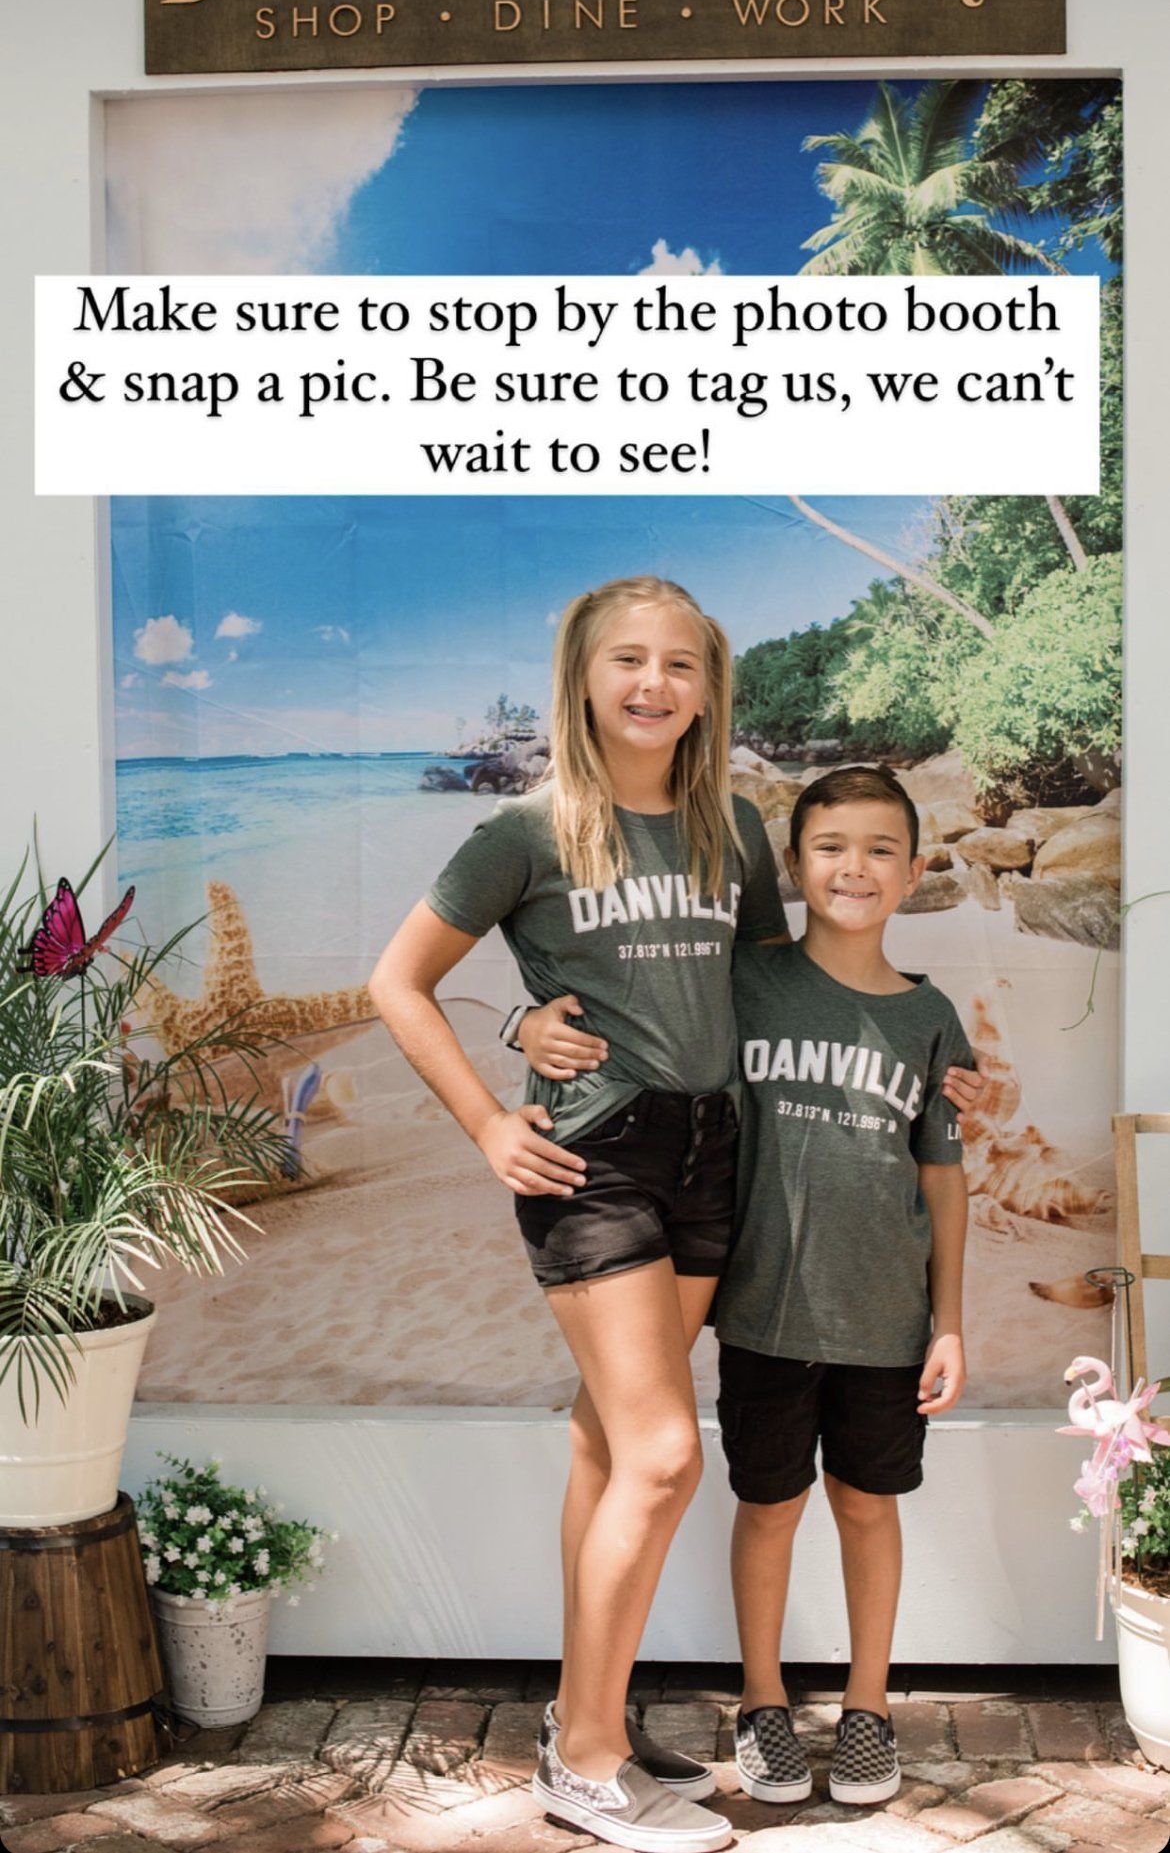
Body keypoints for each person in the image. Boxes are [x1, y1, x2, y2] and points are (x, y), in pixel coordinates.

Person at [370, 574, 793, 1853]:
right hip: (594, 1157)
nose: (654, 683)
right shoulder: (527, 830)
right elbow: (399, 983)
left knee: (609, 1443)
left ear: (708, 687)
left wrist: (911, 1042)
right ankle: (590, 1764)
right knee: (666, 1455)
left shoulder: (734, 827)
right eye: (628, 660)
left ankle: (581, 1716)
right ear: (583, 678)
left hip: (712, 1152)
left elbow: (767, 990)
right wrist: (491, 1112)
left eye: (681, 663)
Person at [517, 763, 980, 1811]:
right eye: (830, 848)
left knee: (868, 1506)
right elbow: (632, 1016)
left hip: (886, 1320)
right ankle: (762, 1701)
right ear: (793, 867)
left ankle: (868, 1708)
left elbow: (943, 1177)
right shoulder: (745, 981)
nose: (854, 868)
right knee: (767, 1509)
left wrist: (949, 1321)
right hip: (763, 1310)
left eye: (880, 850)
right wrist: (526, 1023)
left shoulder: (931, 1018)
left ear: (914, 871)